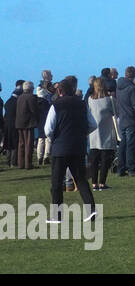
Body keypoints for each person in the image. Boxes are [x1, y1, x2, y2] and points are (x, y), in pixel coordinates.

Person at [42, 77, 96, 222]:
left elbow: (48, 129)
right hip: (78, 146)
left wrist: (54, 139)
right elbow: (93, 124)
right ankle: (91, 209)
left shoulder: (56, 105)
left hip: (60, 148)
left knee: (57, 182)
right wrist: (81, 134)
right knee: (81, 179)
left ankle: (57, 215)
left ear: (59, 91)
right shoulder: (82, 104)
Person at [85, 78, 117, 191]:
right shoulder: (109, 100)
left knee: (94, 160)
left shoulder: (90, 99)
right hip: (107, 131)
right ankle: (102, 182)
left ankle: (94, 183)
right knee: (105, 159)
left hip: (94, 133)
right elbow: (115, 112)